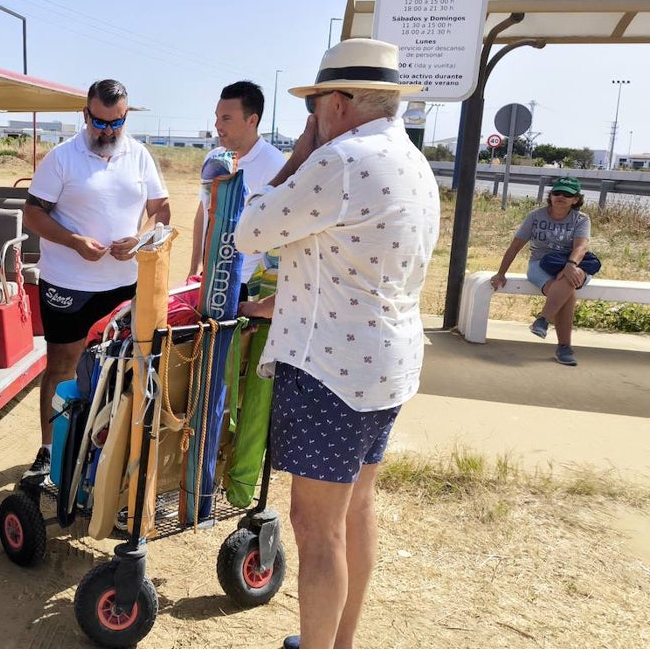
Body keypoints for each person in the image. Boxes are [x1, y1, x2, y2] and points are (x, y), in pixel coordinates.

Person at [233, 38, 440, 649]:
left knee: (315, 526)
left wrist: (298, 153)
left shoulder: (339, 159)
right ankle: (340, 642)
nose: (311, 120)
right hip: (387, 363)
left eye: (314, 106)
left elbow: (250, 231)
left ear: (342, 103)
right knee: (357, 510)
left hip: (332, 369)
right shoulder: (412, 160)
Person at [20, 78, 170, 485]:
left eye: (115, 123)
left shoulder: (139, 156)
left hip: (123, 284)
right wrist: (72, 241)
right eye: (99, 122)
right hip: (68, 284)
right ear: (86, 114)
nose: (106, 132)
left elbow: (162, 210)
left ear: (126, 116)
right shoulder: (62, 158)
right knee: (62, 366)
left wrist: (141, 239)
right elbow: (32, 214)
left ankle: (100, 451)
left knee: (120, 368)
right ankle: (50, 452)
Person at [188, 80, 286, 315]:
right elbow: (203, 212)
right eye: (217, 117)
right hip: (205, 279)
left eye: (227, 119)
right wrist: (194, 268)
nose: (217, 125)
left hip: (241, 286)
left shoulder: (275, 165)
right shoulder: (214, 159)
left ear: (252, 120)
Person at [490, 176, 591, 366]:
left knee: (569, 281)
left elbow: (581, 247)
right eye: (556, 193)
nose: (560, 197)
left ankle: (543, 320)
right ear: (550, 196)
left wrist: (570, 265)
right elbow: (515, 246)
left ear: (575, 199)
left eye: (567, 194)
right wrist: (500, 272)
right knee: (567, 293)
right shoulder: (536, 216)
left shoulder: (582, 219)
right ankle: (564, 347)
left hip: (573, 263)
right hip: (541, 264)